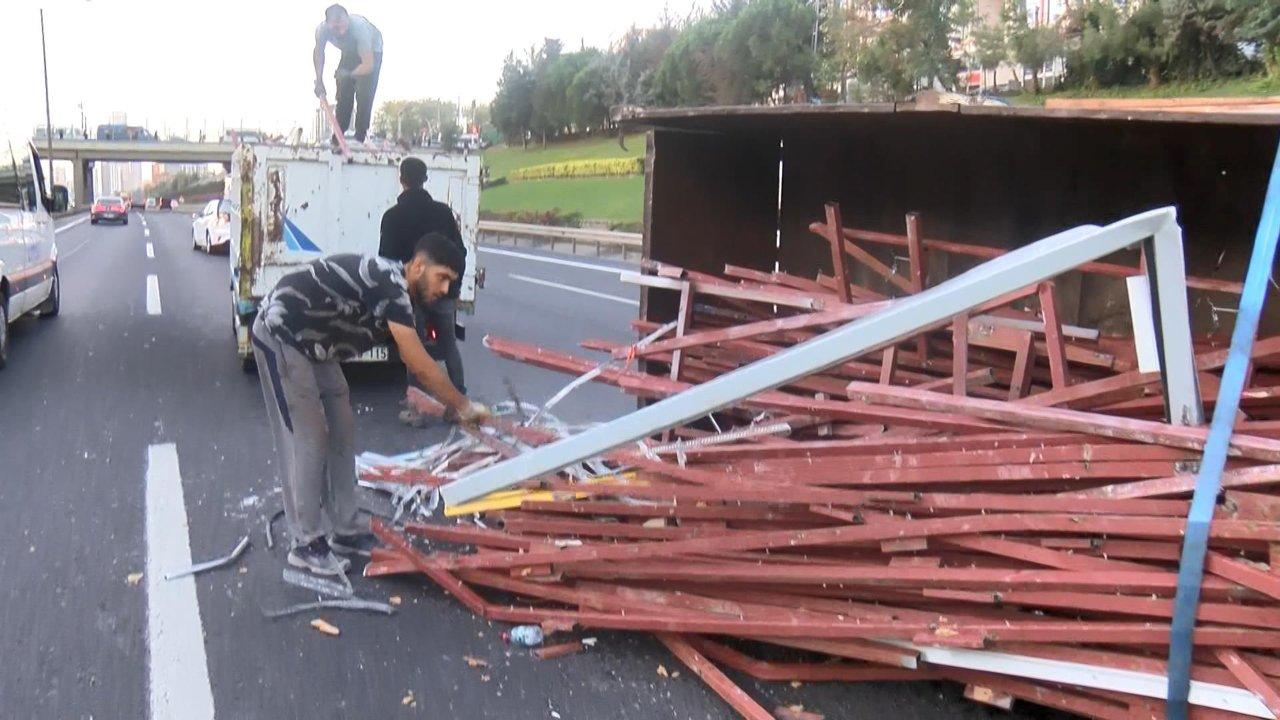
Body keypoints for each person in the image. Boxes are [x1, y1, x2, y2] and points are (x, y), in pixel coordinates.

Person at [251, 235, 487, 576]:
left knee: (342, 426)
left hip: (316, 346)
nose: (446, 289)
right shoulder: (389, 282)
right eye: (442, 277)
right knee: (309, 436)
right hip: (282, 332)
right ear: (418, 266)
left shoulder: (403, 296)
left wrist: (446, 402)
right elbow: (418, 362)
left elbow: (414, 357)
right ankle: (305, 543)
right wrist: (463, 405)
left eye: (452, 282)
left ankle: (345, 530)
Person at [379, 157, 468, 426]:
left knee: (413, 348)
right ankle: (459, 405)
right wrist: (453, 284)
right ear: (425, 179)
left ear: (402, 179)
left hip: (412, 294)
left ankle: (416, 409)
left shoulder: (392, 217)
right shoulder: (443, 213)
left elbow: (387, 260)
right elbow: (460, 252)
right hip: (444, 292)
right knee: (449, 345)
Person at [312, 4, 383, 145]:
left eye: (344, 26)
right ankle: (339, 135)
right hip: (349, 53)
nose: (341, 31)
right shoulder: (322, 30)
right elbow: (319, 53)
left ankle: (360, 137)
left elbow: (368, 65)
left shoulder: (359, 29)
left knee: (364, 93)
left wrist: (349, 74)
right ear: (328, 24)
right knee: (343, 90)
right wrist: (319, 80)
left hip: (371, 52)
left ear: (347, 19)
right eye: (336, 28)